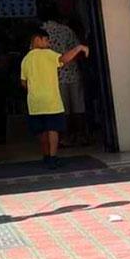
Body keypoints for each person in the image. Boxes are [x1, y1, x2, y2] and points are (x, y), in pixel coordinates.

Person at [21, 29, 89, 169]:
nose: (48, 43)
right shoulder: (48, 54)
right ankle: (52, 157)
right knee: (53, 129)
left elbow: (23, 82)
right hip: (51, 101)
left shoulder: (26, 59)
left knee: (42, 132)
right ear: (37, 40)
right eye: (46, 40)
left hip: (35, 103)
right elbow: (63, 59)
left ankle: (46, 156)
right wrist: (78, 48)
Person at [42, 8, 87, 147]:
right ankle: (80, 136)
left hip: (55, 76)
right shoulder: (67, 30)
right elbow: (78, 50)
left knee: (63, 109)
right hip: (72, 73)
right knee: (78, 107)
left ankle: (65, 137)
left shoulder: (41, 34)